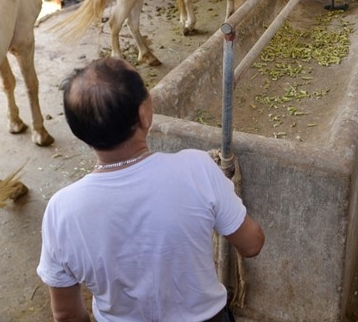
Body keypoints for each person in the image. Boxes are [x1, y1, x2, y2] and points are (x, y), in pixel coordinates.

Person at [37, 58, 265, 322]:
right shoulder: (196, 168)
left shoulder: (61, 210)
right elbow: (251, 244)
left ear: (80, 132)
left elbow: (66, 315)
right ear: (144, 115)